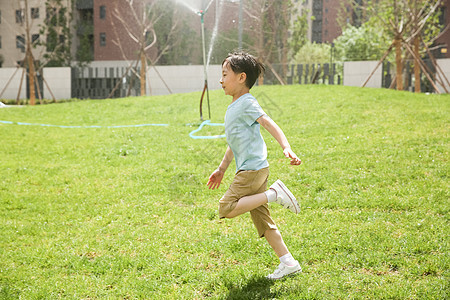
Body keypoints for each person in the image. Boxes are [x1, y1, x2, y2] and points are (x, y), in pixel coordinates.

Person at [207, 51, 302, 280]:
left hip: (252, 171)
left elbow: (268, 123)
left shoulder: (247, 102)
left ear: (241, 78)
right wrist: (221, 169)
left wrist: (285, 146)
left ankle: (274, 194)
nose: (220, 80)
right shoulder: (235, 106)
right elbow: (234, 144)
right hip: (254, 169)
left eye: (224, 74)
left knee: (226, 207)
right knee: (263, 220)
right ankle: (289, 263)